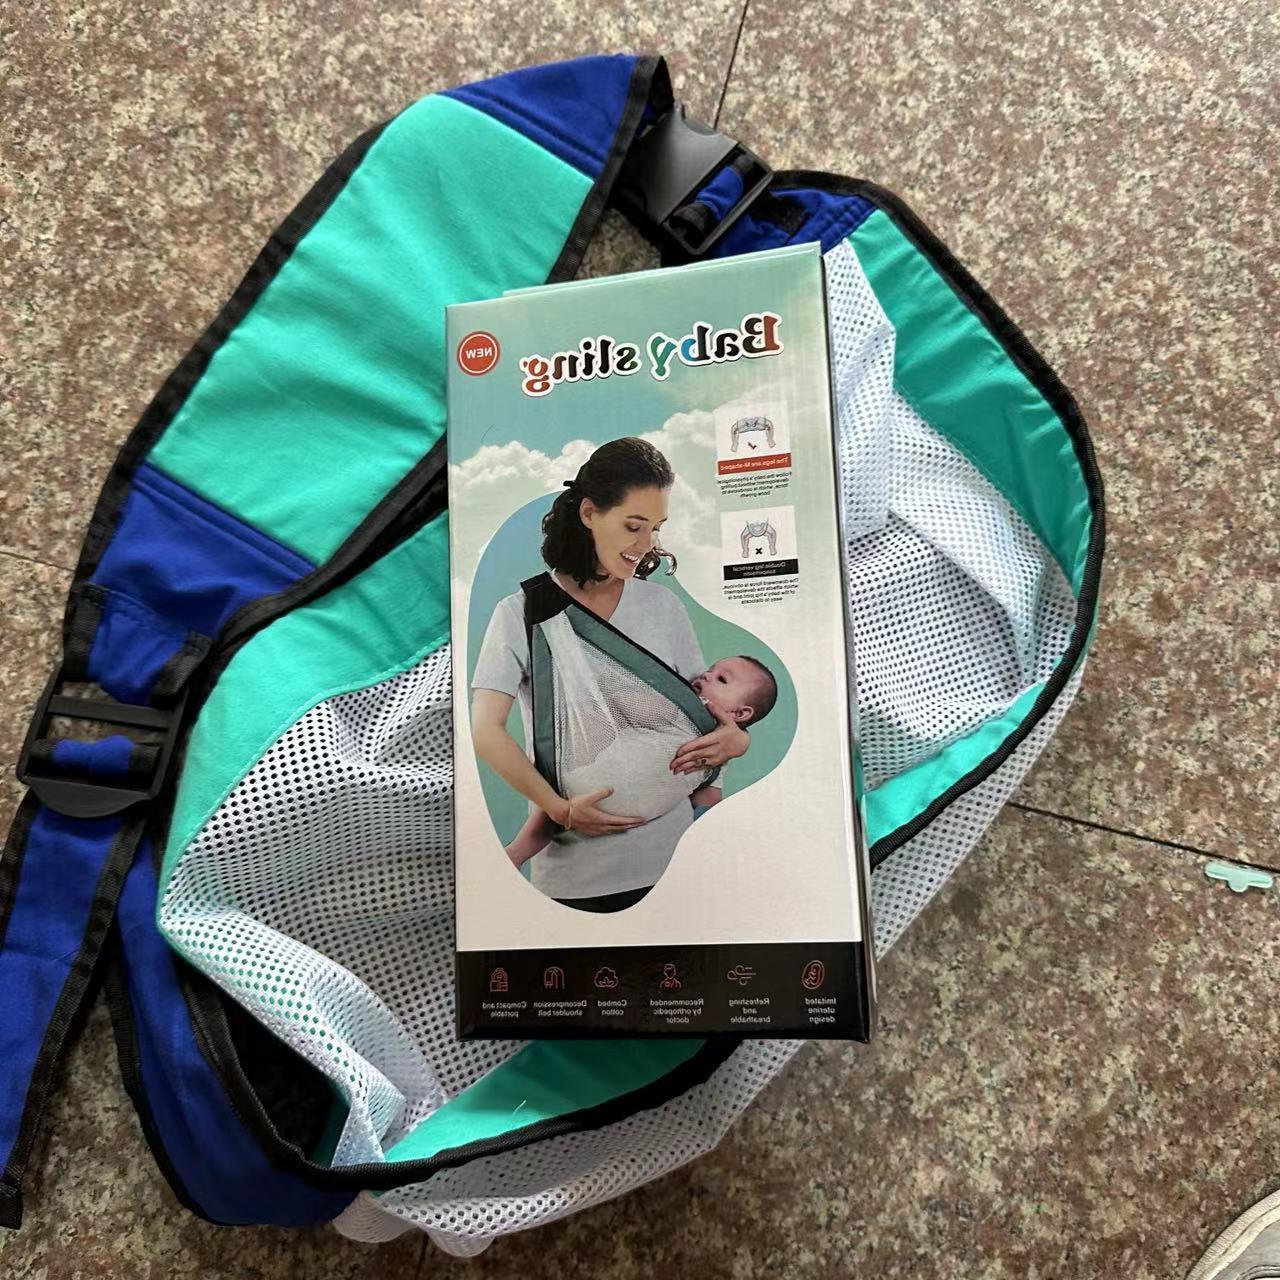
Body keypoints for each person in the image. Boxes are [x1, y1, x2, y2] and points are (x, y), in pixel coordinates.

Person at [470, 437, 754, 914]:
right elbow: (485, 729)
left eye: (656, 530)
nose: (646, 546)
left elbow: (699, 712)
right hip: (575, 876)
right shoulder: (522, 613)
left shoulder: (663, 606)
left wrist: (737, 741)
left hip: (677, 860)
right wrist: (560, 810)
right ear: (589, 513)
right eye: (633, 526)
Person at [504, 654, 778, 867]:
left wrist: (709, 830)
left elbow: (708, 797)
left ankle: (517, 852)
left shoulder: (719, 749)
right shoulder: (684, 710)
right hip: (596, 784)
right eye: (710, 669)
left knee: (557, 803)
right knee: (555, 804)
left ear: (740, 714)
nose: (706, 675)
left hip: (611, 799)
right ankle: (517, 852)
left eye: (721, 679)